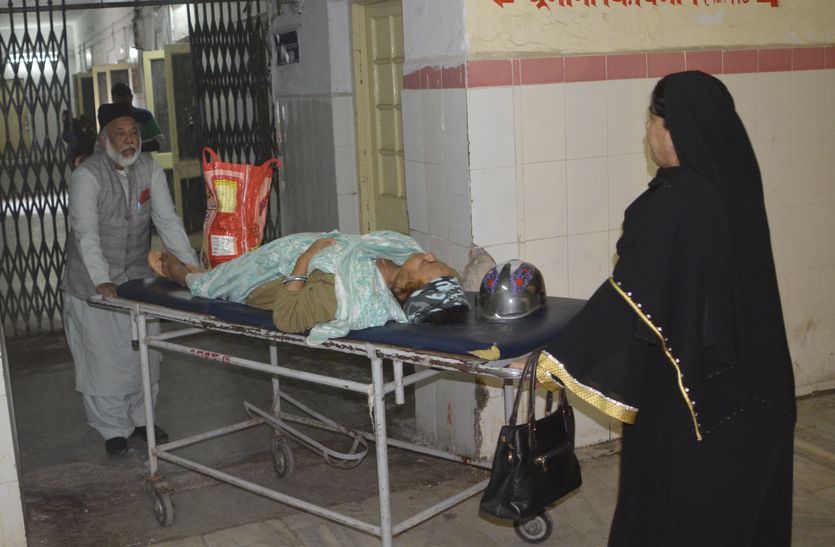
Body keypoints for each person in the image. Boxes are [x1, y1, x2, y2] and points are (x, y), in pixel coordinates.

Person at [513, 71, 795, 545]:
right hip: (760, 395)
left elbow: (626, 302)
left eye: (652, 120)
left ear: (674, 130)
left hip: (696, 406)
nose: (647, 131)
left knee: (679, 519)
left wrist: (550, 361)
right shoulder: (736, 186)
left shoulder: (674, 204)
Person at [61, 102, 200, 457]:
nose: (129, 140)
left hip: (138, 281)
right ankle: (112, 429)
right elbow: (86, 233)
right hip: (92, 285)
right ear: (104, 139)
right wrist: (101, 280)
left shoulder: (149, 169)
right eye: (120, 134)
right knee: (103, 361)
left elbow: (167, 221)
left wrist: (192, 268)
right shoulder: (87, 176)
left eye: (134, 133)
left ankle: (142, 419)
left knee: (144, 353)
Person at [156, 230, 470, 341]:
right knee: (228, 267)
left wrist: (306, 258)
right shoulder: (396, 257)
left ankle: (187, 277)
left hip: (259, 282)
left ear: (406, 290)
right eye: (433, 259)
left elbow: (287, 317)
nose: (429, 255)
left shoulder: (344, 294)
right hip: (278, 257)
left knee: (211, 282)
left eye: (427, 264)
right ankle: (213, 272)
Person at [111, 82, 164, 153]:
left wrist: (138, 146)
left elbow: (160, 142)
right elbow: (100, 146)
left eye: (125, 98)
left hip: (142, 158)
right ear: (113, 100)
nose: (122, 102)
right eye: (118, 99)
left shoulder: (144, 115)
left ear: (131, 98)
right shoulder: (109, 119)